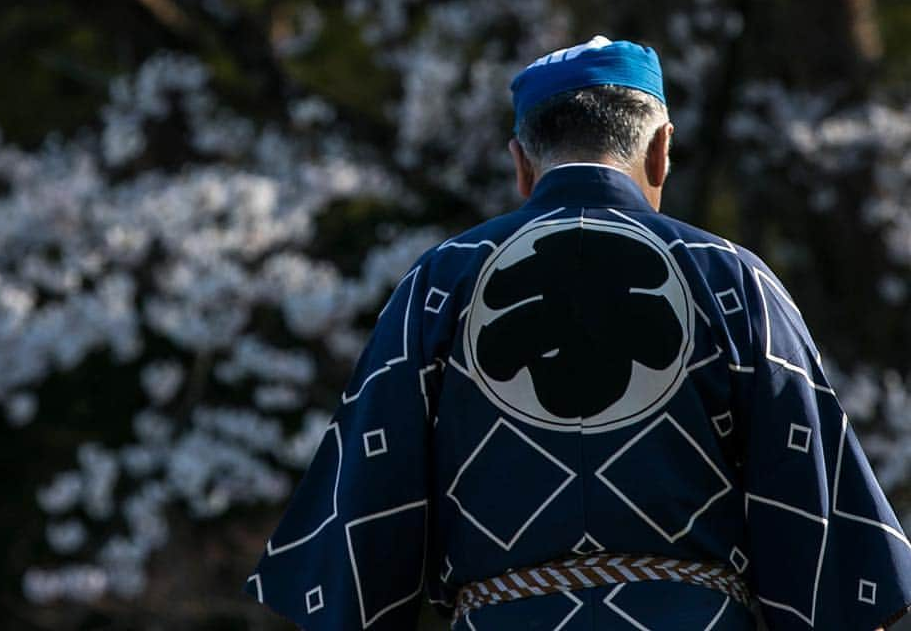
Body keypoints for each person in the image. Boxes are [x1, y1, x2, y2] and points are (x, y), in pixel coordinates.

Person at [241, 35, 911, 629]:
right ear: (660, 149)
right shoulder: (733, 280)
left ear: (521, 164)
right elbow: (817, 522)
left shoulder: (440, 282)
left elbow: (366, 520)